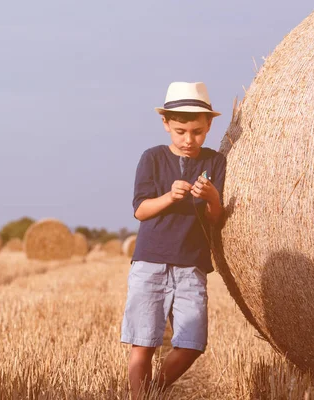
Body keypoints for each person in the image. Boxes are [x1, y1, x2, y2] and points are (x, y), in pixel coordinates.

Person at [121, 82, 226, 399]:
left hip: (191, 265)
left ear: (208, 125)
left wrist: (212, 198)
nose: (188, 139)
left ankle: (154, 389)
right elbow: (140, 210)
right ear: (166, 124)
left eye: (196, 131)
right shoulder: (152, 158)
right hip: (149, 263)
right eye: (181, 131)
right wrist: (168, 197)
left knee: (192, 343)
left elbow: (214, 219)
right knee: (144, 343)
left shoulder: (215, 162)